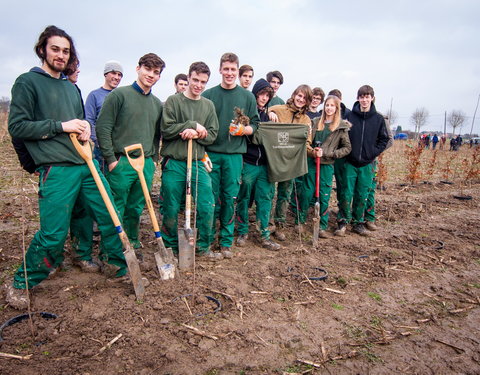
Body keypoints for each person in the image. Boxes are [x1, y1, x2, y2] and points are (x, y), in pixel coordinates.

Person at [6, 25, 127, 309]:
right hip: (58, 168)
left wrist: (84, 128)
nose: (61, 55)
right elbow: (17, 126)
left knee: (110, 215)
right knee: (53, 233)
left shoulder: (70, 87)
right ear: (42, 50)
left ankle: (116, 266)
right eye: (55, 49)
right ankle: (22, 281)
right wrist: (60, 127)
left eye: (66, 51)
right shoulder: (27, 82)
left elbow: (77, 122)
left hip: (87, 164)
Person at [96, 53, 164, 252]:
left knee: (136, 207)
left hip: (145, 164)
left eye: (156, 72)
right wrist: (110, 159)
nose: (150, 75)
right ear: (138, 68)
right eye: (147, 69)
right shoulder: (119, 95)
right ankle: (112, 251)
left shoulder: (156, 104)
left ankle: (132, 243)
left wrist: (153, 160)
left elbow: (155, 134)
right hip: (121, 162)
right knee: (116, 207)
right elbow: (103, 128)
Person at [202, 52, 259, 257]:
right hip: (211, 154)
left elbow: (256, 125)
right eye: (226, 69)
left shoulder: (247, 97)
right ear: (220, 70)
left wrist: (244, 130)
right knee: (210, 199)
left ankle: (226, 241)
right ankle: (207, 239)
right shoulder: (209, 95)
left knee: (230, 198)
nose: (229, 73)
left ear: (237, 71)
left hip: (234, 156)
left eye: (233, 69)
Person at [160, 62, 219, 259]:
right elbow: (166, 130)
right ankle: (170, 247)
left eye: (203, 82)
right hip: (175, 162)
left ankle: (202, 247)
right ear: (188, 78)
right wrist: (191, 124)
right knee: (170, 205)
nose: (198, 85)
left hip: (197, 162)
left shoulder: (208, 105)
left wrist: (198, 133)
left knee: (206, 204)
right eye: (195, 80)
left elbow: (213, 135)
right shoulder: (173, 101)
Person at [335, 85, 389, 236]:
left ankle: (358, 222)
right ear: (358, 98)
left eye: (367, 97)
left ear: (372, 98)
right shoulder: (350, 117)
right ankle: (343, 222)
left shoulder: (378, 119)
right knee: (346, 193)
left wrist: (373, 153)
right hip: (350, 162)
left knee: (362, 194)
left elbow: (384, 139)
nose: (364, 100)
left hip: (367, 164)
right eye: (362, 97)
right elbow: (341, 137)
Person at [295, 95, 351, 237]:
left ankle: (322, 226)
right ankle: (300, 221)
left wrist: (331, 153)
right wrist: (313, 151)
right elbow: (307, 141)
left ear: (336, 108)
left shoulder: (340, 127)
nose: (329, 108)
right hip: (312, 163)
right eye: (327, 105)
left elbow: (347, 148)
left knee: (324, 196)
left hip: (327, 165)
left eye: (332, 106)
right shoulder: (315, 122)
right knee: (307, 192)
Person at [235, 79, 280, 251]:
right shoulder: (247, 116)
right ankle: (243, 231)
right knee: (244, 197)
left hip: (265, 165)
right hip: (249, 163)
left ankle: (264, 235)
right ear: (255, 94)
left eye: (267, 95)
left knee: (265, 198)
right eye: (261, 94)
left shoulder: (270, 116)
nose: (264, 98)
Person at [268, 84, 312, 240]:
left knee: (285, 194)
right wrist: (271, 113)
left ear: (308, 101)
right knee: (269, 192)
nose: (301, 99)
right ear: (294, 95)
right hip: (274, 158)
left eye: (304, 98)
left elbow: (307, 141)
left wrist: (313, 151)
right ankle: (268, 223)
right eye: (299, 96)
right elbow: (267, 109)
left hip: (291, 162)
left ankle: (279, 224)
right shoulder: (280, 109)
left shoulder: (306, 120)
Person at [85, 60, 124, 172]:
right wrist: (99, 141)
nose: (117, 77)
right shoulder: (94, 95)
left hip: (119, 149)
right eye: (113, 73)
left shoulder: (122, 96)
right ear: (105, 74)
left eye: (120, 74)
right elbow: (89, 120)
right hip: (101, 149)